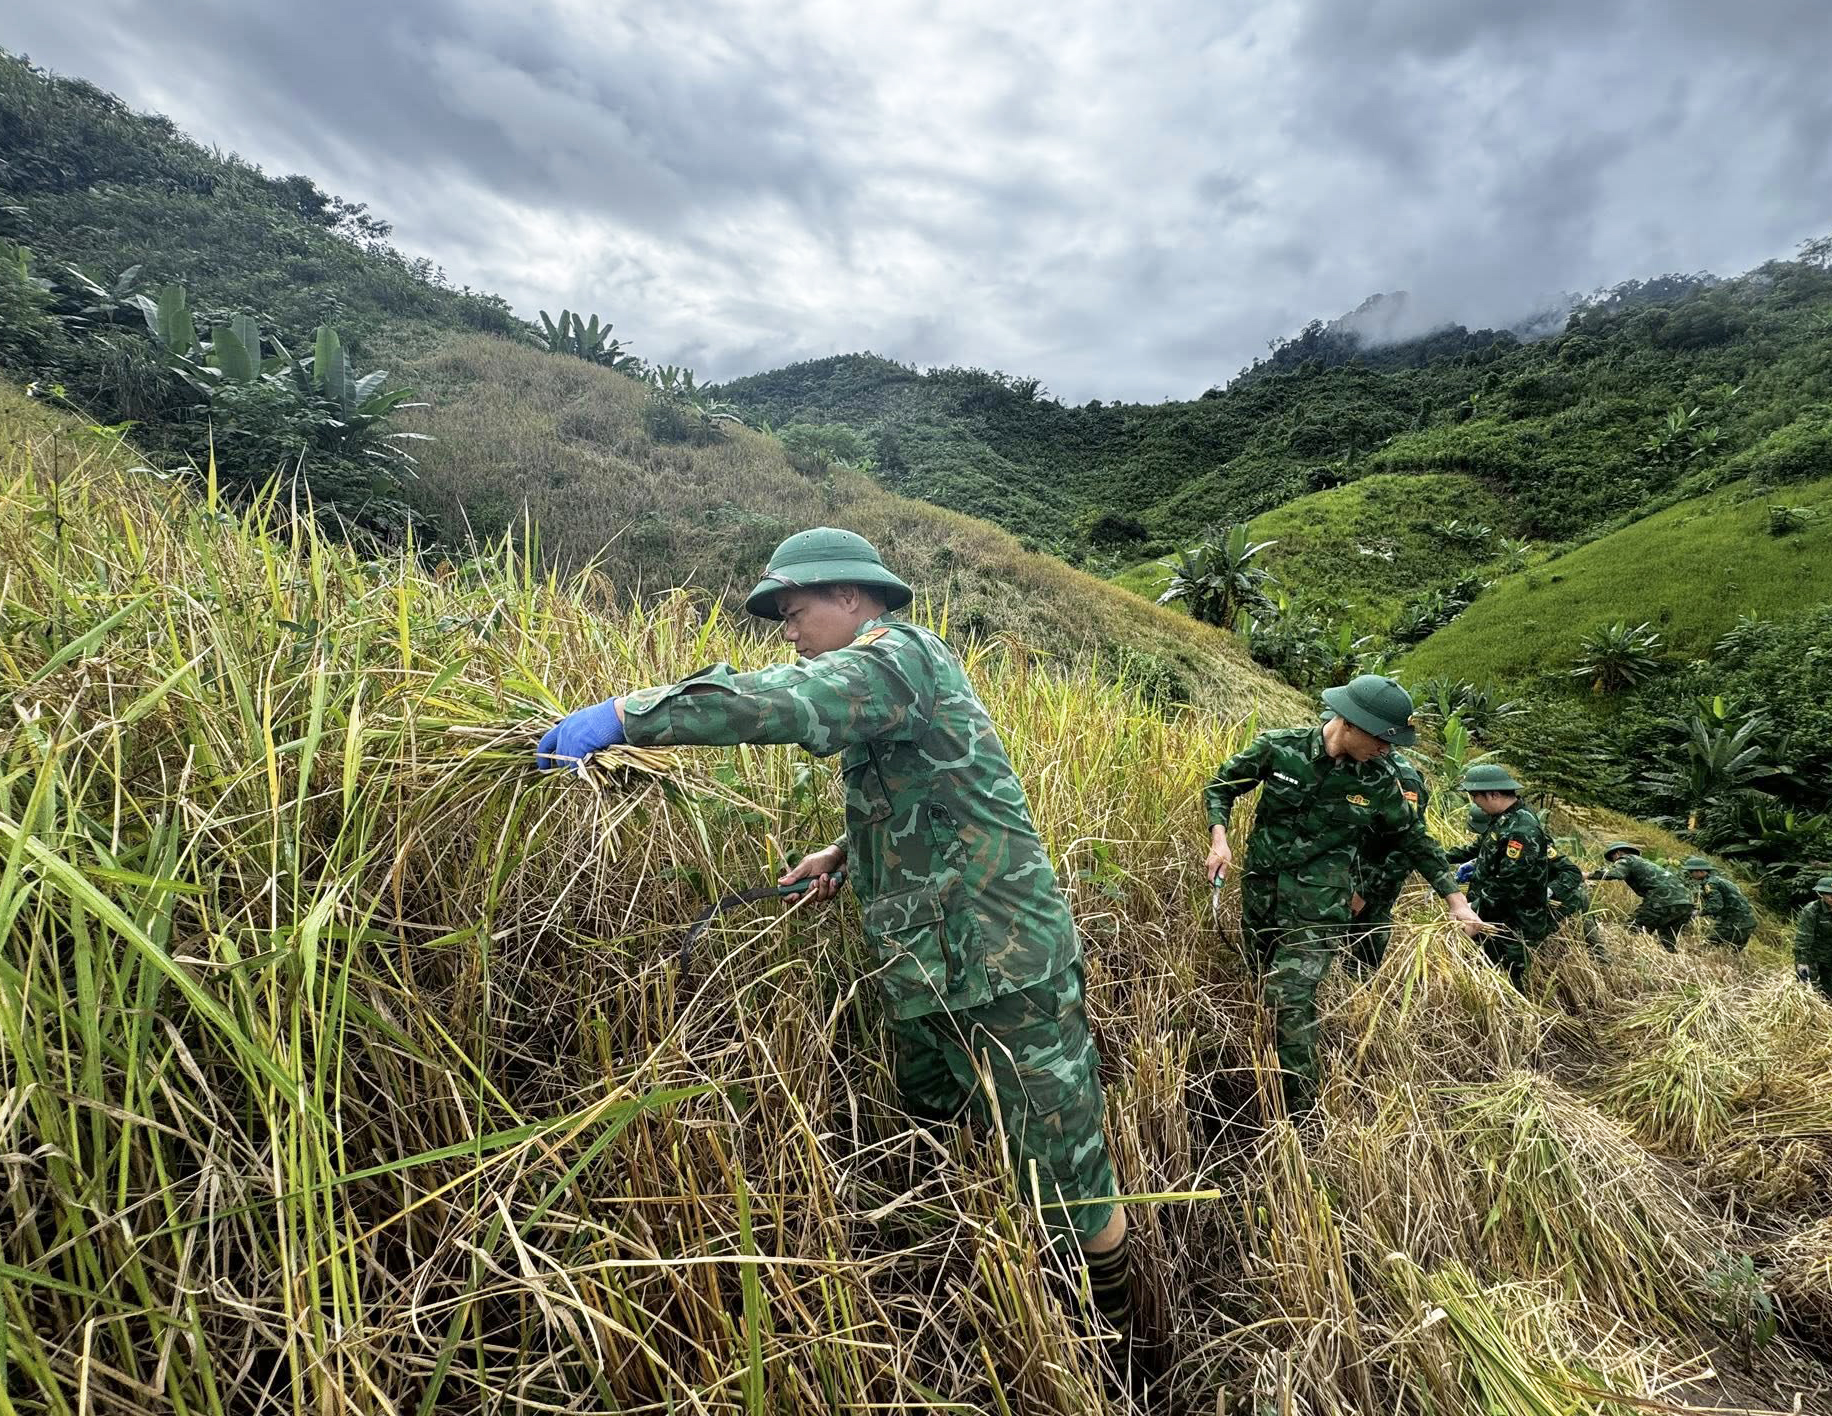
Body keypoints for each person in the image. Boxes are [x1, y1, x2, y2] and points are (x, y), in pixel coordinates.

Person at [535, 528, 1137, 1342]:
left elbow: (790, 701)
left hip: (1005, 958)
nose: (787, 631)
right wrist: (848, 852)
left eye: (793, 611)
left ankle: (1115, 1336)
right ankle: (975, 1282)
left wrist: (624, 716)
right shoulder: (892, 679)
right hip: (929, 963)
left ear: (850, 597)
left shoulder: (897, 655)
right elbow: (936, 791)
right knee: (939, 1119)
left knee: (1067, 1173)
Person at [1202, 674, 1487, 1111]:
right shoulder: (1280, 748)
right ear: (1349, 724)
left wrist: (1457, 902)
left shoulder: (1378, 782)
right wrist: (1219, 839)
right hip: (1261, 893)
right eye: (1381, 738)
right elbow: (1222, 785)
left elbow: (1415, 840)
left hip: (1321, 908)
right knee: (1262, 983)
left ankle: (1303, 1116)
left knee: (1288, 998)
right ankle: (1259, 1074)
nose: (1387, 749)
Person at [1444, 763, 1551, 989]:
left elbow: (1510, 883)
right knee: (1486, 974)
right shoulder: (1503, 819)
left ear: (1492, 794)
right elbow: (1479, 848)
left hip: (1513, 923)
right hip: (1493, 917)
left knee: (1509, 982)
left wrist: (1473, 908)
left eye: (1475, 797)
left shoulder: (1522, 828)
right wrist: (1438, 858)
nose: (1475, 804)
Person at [1346, 739, 1433, 973]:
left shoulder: (1403, 779)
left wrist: (1366, 891)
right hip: (1350, 867)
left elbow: (1406, 846)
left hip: (1376, 875)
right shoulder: (1358, 763)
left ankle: (1360, 986)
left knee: (1368, 930)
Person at [1586, 842, 1694, 951]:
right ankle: (1669, 960)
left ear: (1617, 853)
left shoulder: (1627, 859)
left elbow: (1615, 873)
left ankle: (1628, 958)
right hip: (1686, 903)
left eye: (1613, 859)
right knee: (1667, 942)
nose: (1615, 862)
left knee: (1632, 929)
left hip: (1663, 900)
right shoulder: (1646, 863)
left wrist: (1587, 875)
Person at [1684, 856, 1757, 951]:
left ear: (1700, 872)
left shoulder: (1710, 884)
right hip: (1747, 921)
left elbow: (1716, 905)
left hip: (1734, 921)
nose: (1690, 875)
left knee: (1705, 947)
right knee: (1733, 953)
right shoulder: (1719, 880)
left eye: (1691, 872)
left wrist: (1697, 912)